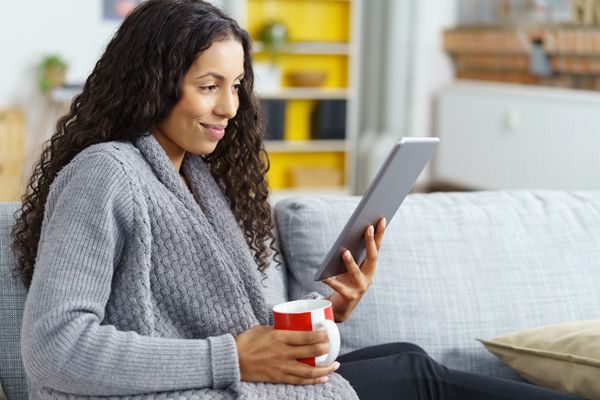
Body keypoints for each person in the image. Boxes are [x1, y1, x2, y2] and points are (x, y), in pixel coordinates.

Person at [11, 1, 582, 399]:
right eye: (208, 86)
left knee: (404, 352)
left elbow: (248, 332)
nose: (229, 109)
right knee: (414, 373)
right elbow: (54, 347)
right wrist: (232, 358)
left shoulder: (197, 179)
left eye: (235, 87)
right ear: (151, 82)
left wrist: (329, 308)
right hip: (187, 388)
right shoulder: (105, 173)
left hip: (217, 381)